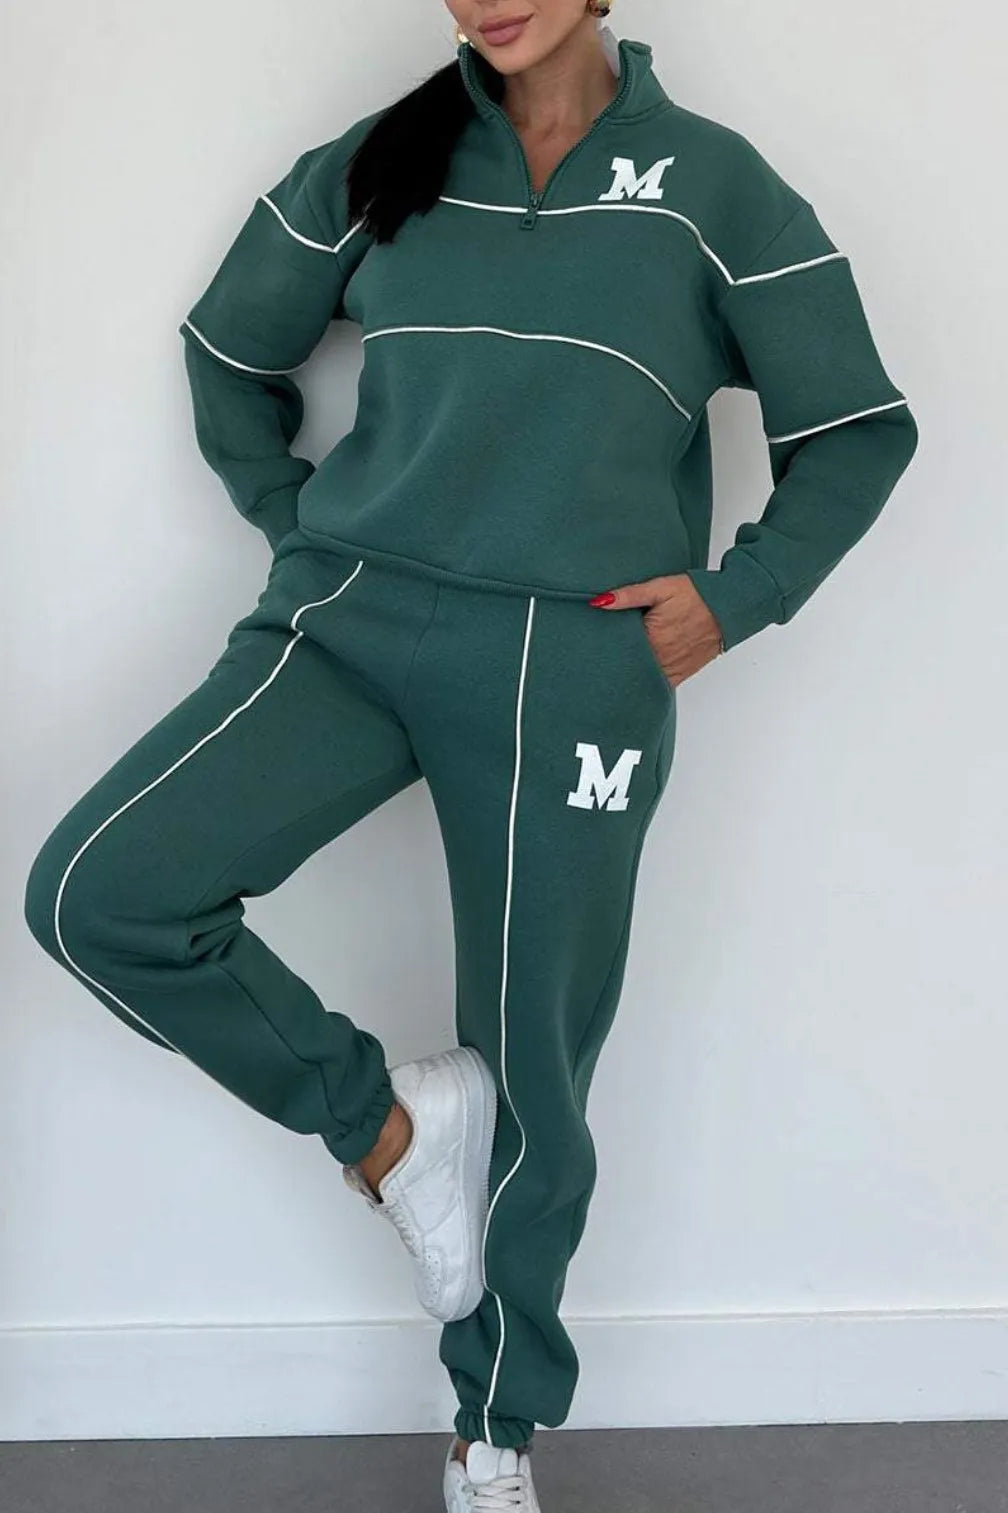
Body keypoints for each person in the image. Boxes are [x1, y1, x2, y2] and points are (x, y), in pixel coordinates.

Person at [23, 1, 919, 1508]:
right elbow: (225, 349)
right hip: (350, 625)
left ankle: (492, 1434)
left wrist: (739, 595)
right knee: (95, 894)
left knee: (533, 1058)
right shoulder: (383, 159)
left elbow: (860, 428)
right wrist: (294, 525)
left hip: (576, 660)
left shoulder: (716, 186)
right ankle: (388, 1127)